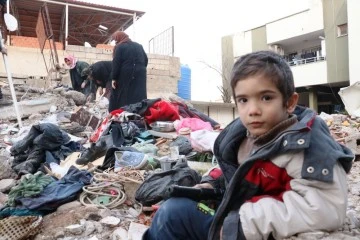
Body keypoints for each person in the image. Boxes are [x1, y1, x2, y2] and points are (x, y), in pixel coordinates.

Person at [144, 51, 354, 240]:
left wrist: (242, 225)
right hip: (237, 218)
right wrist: (211, 185)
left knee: (174, 214)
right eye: (243, 100)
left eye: (266, 98)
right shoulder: (244, 136)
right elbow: (234, 170)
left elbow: (325, 208)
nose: (253, 110)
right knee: (174, 207)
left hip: (250, 227)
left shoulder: (308, 145)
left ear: (289, 102)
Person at [109, 31, 148, 112]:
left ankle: (123, 112)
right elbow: (146, 60)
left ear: (119, 39)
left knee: (124, 94)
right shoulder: (139, 46)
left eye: (116, 40)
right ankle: (141, 111)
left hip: (126, 73)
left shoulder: (120, 47)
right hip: (141, 73)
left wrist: (114, 78)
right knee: (139, 93)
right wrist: (140, 69)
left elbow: (116, 64)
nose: (116, 42)